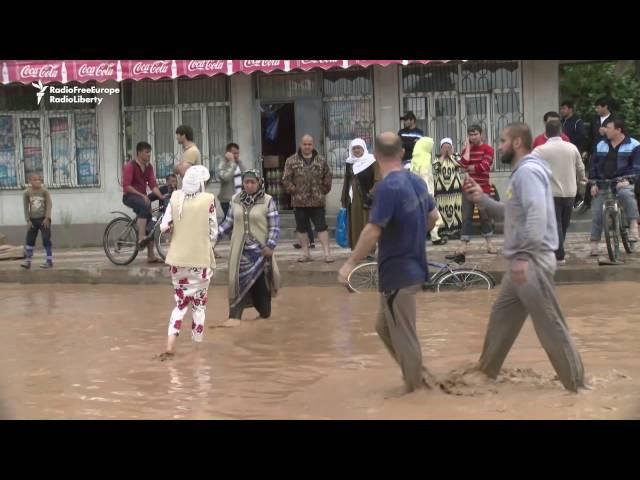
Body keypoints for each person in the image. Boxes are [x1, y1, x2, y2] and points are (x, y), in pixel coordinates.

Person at [463, 122, 586, 393]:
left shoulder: (528, 172)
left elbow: (537, 215)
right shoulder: (522, 173)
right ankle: (485, 375)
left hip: (531, 261)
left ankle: (577, 387)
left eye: (503, 140)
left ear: (517, 142)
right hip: (522, 262)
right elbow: (511, 214)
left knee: (549, 325)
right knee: (501, 318)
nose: (499, 146)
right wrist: (481, 199)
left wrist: (523, 257)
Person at [338, 132, 440, 394]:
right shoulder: (416, 181)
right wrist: (412, 234)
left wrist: (350, 263)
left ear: (377, 155)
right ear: (402, 153)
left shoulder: (387, 187)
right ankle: (417, 374)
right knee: (383, 328)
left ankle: (419, 391)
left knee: (404, 334)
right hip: (412, 267)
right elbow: (433, 217)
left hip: (398, 272)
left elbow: (372, 230)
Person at [158, 165, 217, 360]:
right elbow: (213, 233)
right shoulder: (208, 200)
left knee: (180, 304)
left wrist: (177, 227)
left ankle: (170, 345)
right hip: (200, 263)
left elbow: (164, 226)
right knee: (199, 307)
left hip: (177, 262)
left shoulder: (174, 198)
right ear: (201, 184)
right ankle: (196, 352)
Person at [217, 170, 281, 328]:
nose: (249, 185)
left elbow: (274, 227)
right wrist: (212, 239)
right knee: (235, 281)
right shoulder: (235, 200)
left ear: (259, 183)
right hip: (239, 252)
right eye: (246, 182)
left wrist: (271, 245)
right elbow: (227, 223)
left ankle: (264, 312)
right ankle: (234, 316)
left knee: (261, 286)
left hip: (260, 253)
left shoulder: (267, 201)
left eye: (252, 182)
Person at [533, 119, 586, 263]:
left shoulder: (540, 150)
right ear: (561, 131)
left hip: (550, 193)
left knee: (555, 223)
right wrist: (582, 182)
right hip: (570, 192)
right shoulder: (572, 148)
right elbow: (580, 168)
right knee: (563, 223)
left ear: (546, 133)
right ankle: (559, 250)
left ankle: (559, 253)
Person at [589, 116, 640, 256]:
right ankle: (594, 244)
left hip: (623, 181)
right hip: (603, 183)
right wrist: (593, 183)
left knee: (625, 193)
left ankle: (633, 224)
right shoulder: (601, 145)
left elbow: (637, 167)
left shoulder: (634, 145)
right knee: (597, 213)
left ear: (618, 130)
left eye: (609, 128)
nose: (605, 130)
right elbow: (593, 165)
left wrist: (629, 180)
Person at [282, 134, 334, 263]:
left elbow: (328, 177)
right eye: (305, 144)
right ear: (301, 145)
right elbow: (286, 179)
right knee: (301, 228)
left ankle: (327, 254)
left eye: (309, 144)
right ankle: (306, 254)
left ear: (313, 145)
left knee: (322, 227)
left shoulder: (321, 160)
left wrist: (322, 191)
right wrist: (294, 190)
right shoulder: (291, 160)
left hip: (317, 201)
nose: (307, 147)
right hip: (299, 202)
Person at [449, 124, 496, 257]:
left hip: (483, 188)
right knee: (466, 217)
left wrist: (469, 168)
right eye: (470, 134)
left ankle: (489, 243)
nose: (473, 137)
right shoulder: (466, 150)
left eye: (475, 134)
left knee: (484, 217)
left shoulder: (488, 149)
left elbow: (484, 166)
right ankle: (463, 244)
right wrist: (467, 148)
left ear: (481, 134)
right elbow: (462, 165)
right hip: (468, 188)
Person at [122, 141, 166, 263]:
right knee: (145, 206)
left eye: (149, 153)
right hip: (130, 197)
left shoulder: (148, 167)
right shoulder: (130, 166)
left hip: (142, 198)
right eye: (146, 153)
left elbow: (153, 185)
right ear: (139, 152)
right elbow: (126, 186)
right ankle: (141, 238)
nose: (149, 155)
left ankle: (150, 255)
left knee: (153, 220)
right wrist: (141, 195)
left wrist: (161, 197)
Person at [340, 138, 381, 252]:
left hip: (367, 199)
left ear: (364, 148)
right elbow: (346, 181)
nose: (356, 150)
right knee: (355, 223)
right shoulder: (349, 162)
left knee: (366, 224)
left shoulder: (371, 161)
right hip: (353, 200)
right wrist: (344, 199)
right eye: (354, 148)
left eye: (359, 148)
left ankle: (369, 250)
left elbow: (378, 180)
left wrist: (371, 195)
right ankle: (357, 250)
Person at [410, 136, 447, 245]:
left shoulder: (415, 159)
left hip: (415, 193)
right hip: (425, 193)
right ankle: (431, 236)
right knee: (436, 218)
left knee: (421, 217)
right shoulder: (425, 159)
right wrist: (429, 195)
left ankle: (432, 236)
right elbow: (425, 177)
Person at [20, 173, 53, 269]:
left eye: (39, 179)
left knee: (46, 240)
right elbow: (26, 208)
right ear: (30, 182)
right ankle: (28, 261)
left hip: (44, 220)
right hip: (32, 220)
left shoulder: (44, 191)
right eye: (35, 180)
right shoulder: (26, 193)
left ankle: (49, 260)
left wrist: (47, 217)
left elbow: (49, 205)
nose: (38, 181)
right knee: (29, 240)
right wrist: (28, 221)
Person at [433, 138, 464, 239]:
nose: (446, 149)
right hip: (441, 192)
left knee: (455, 210)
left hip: (455, 190)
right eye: (444, 147)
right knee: (442, 210)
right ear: (440, 148)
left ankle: (456, 232)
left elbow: (459, 165)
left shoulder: (456, 156)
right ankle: (443, 232)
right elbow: (436, 167)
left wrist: (450, 155)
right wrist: (443, 156)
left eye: (448, 147)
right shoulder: (437, 158)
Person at [217, 142, 245, 218]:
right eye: (234, 153)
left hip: (239, 199)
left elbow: (245, 176)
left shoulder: (239, 163)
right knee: (229, 222)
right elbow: (226, 178)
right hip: (227, 200)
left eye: (237, 153)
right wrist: (232, 162)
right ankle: (220, 229)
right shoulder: (223, 163)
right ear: (228, 153)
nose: (236, 155)